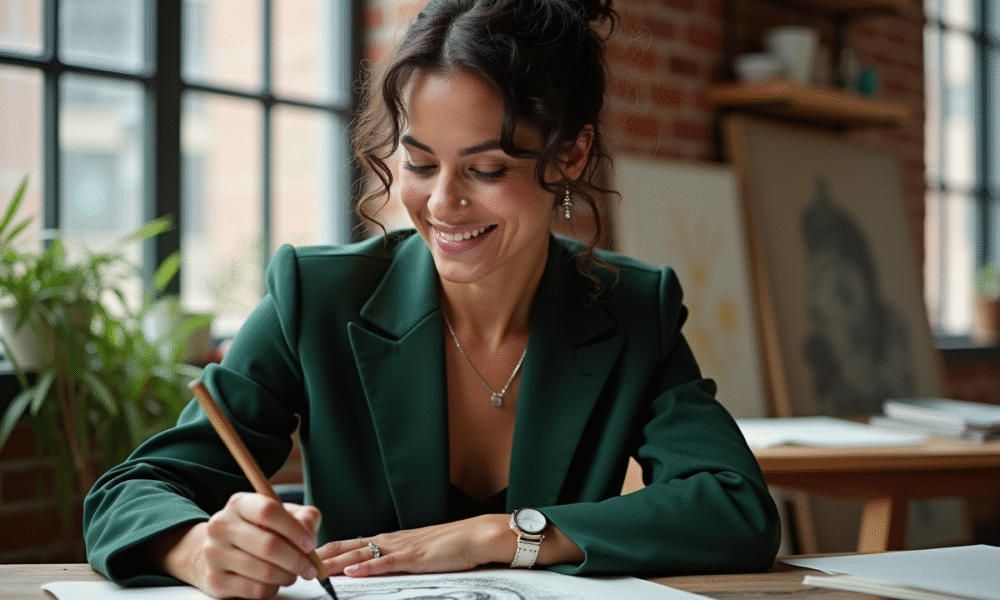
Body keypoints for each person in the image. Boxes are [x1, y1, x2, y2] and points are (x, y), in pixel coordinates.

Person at [83, 1, 781, 598]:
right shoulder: (315, 298)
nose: (442, 203)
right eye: (419, 163)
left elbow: (736, 508)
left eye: (487, 169)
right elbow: (129, 494)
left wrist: (499, 536)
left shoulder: (633, 309)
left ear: (570, 156)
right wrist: (196, 549)